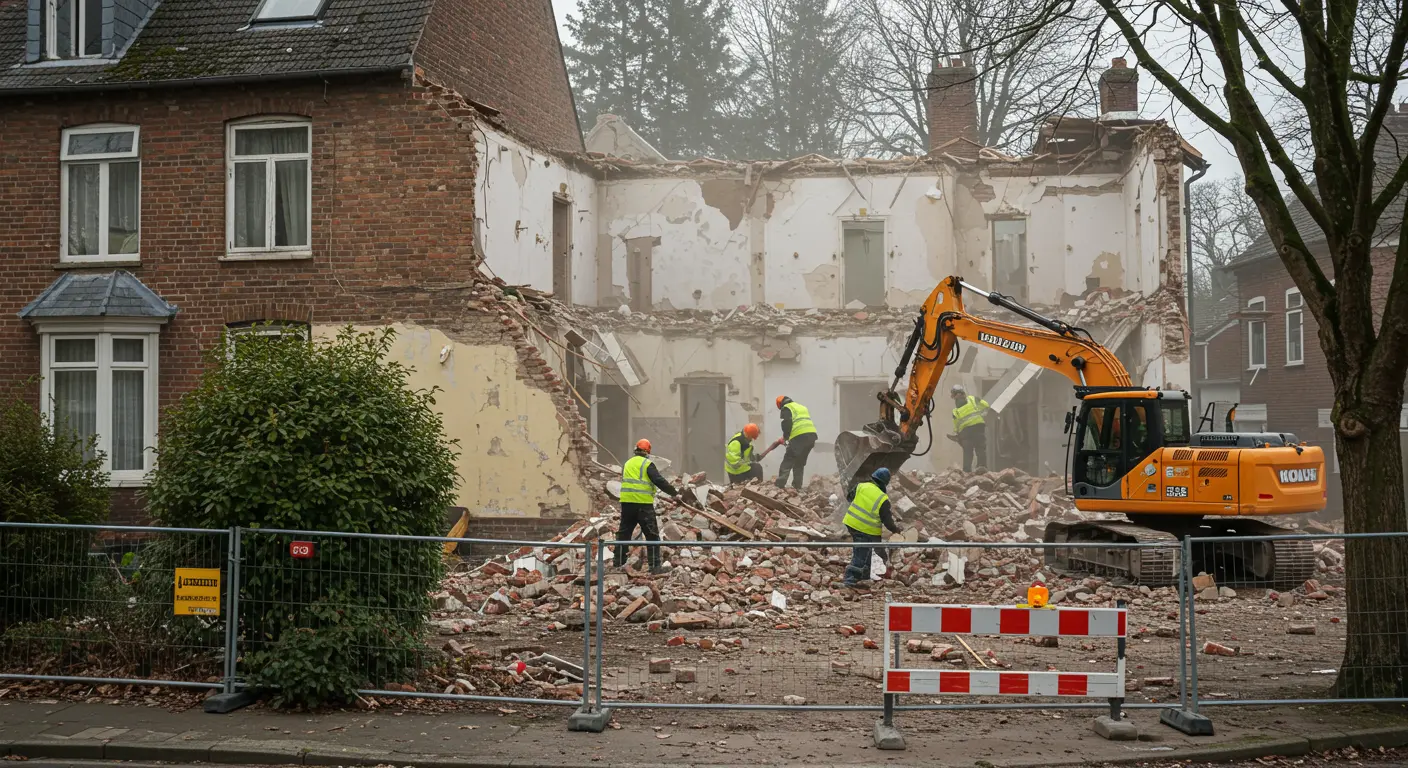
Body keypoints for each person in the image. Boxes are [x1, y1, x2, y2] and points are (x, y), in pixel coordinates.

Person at [617, 438, 680, 574]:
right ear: (648, 451)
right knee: (652, 535)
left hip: (627, 503)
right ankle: (655, 566)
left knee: (624, 534)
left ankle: (618, 563)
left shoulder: (627, 463)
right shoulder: (647, 464)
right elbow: (658, 480)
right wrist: (674, 493)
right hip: (643, 504)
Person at [842, 468, 903, 587]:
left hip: (851, 523)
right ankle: (849, 580)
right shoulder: (883, 498)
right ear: (885, 482)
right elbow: (888, 522)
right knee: (861, 553)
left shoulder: (861, 486)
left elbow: (849, 497)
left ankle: (864, 576)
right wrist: (896, 530)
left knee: (866, 550)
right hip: (866, 529)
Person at [774, 395, 818, 490]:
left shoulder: (787, 408)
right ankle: (797, 487)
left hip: (799, 437)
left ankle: (779, 485)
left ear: (780, 404)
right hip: (811, 437)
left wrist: (785, 437)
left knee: (788, 460)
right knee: (799, 463)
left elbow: (786, 423)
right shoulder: (801, 407)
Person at [949, 384, 990, 473]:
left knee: (968, 452)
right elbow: (986, 405)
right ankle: (982, 468)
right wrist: (982, 415)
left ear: (955, 395)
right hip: (978, 427)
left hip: (965, 432)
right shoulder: (973, 399)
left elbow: (956, 426)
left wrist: (957, 435)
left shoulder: (955, 411)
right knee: (980, 448)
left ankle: (967, 471)